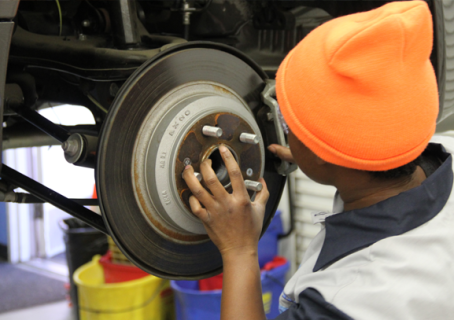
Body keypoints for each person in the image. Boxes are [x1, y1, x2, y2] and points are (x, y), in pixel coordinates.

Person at [182, 1, 454, 319]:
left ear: (325, 154)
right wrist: (315, 154)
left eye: (290, 125)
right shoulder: (441, 149)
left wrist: (240, 250)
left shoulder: (350, 300)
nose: (284, 130)